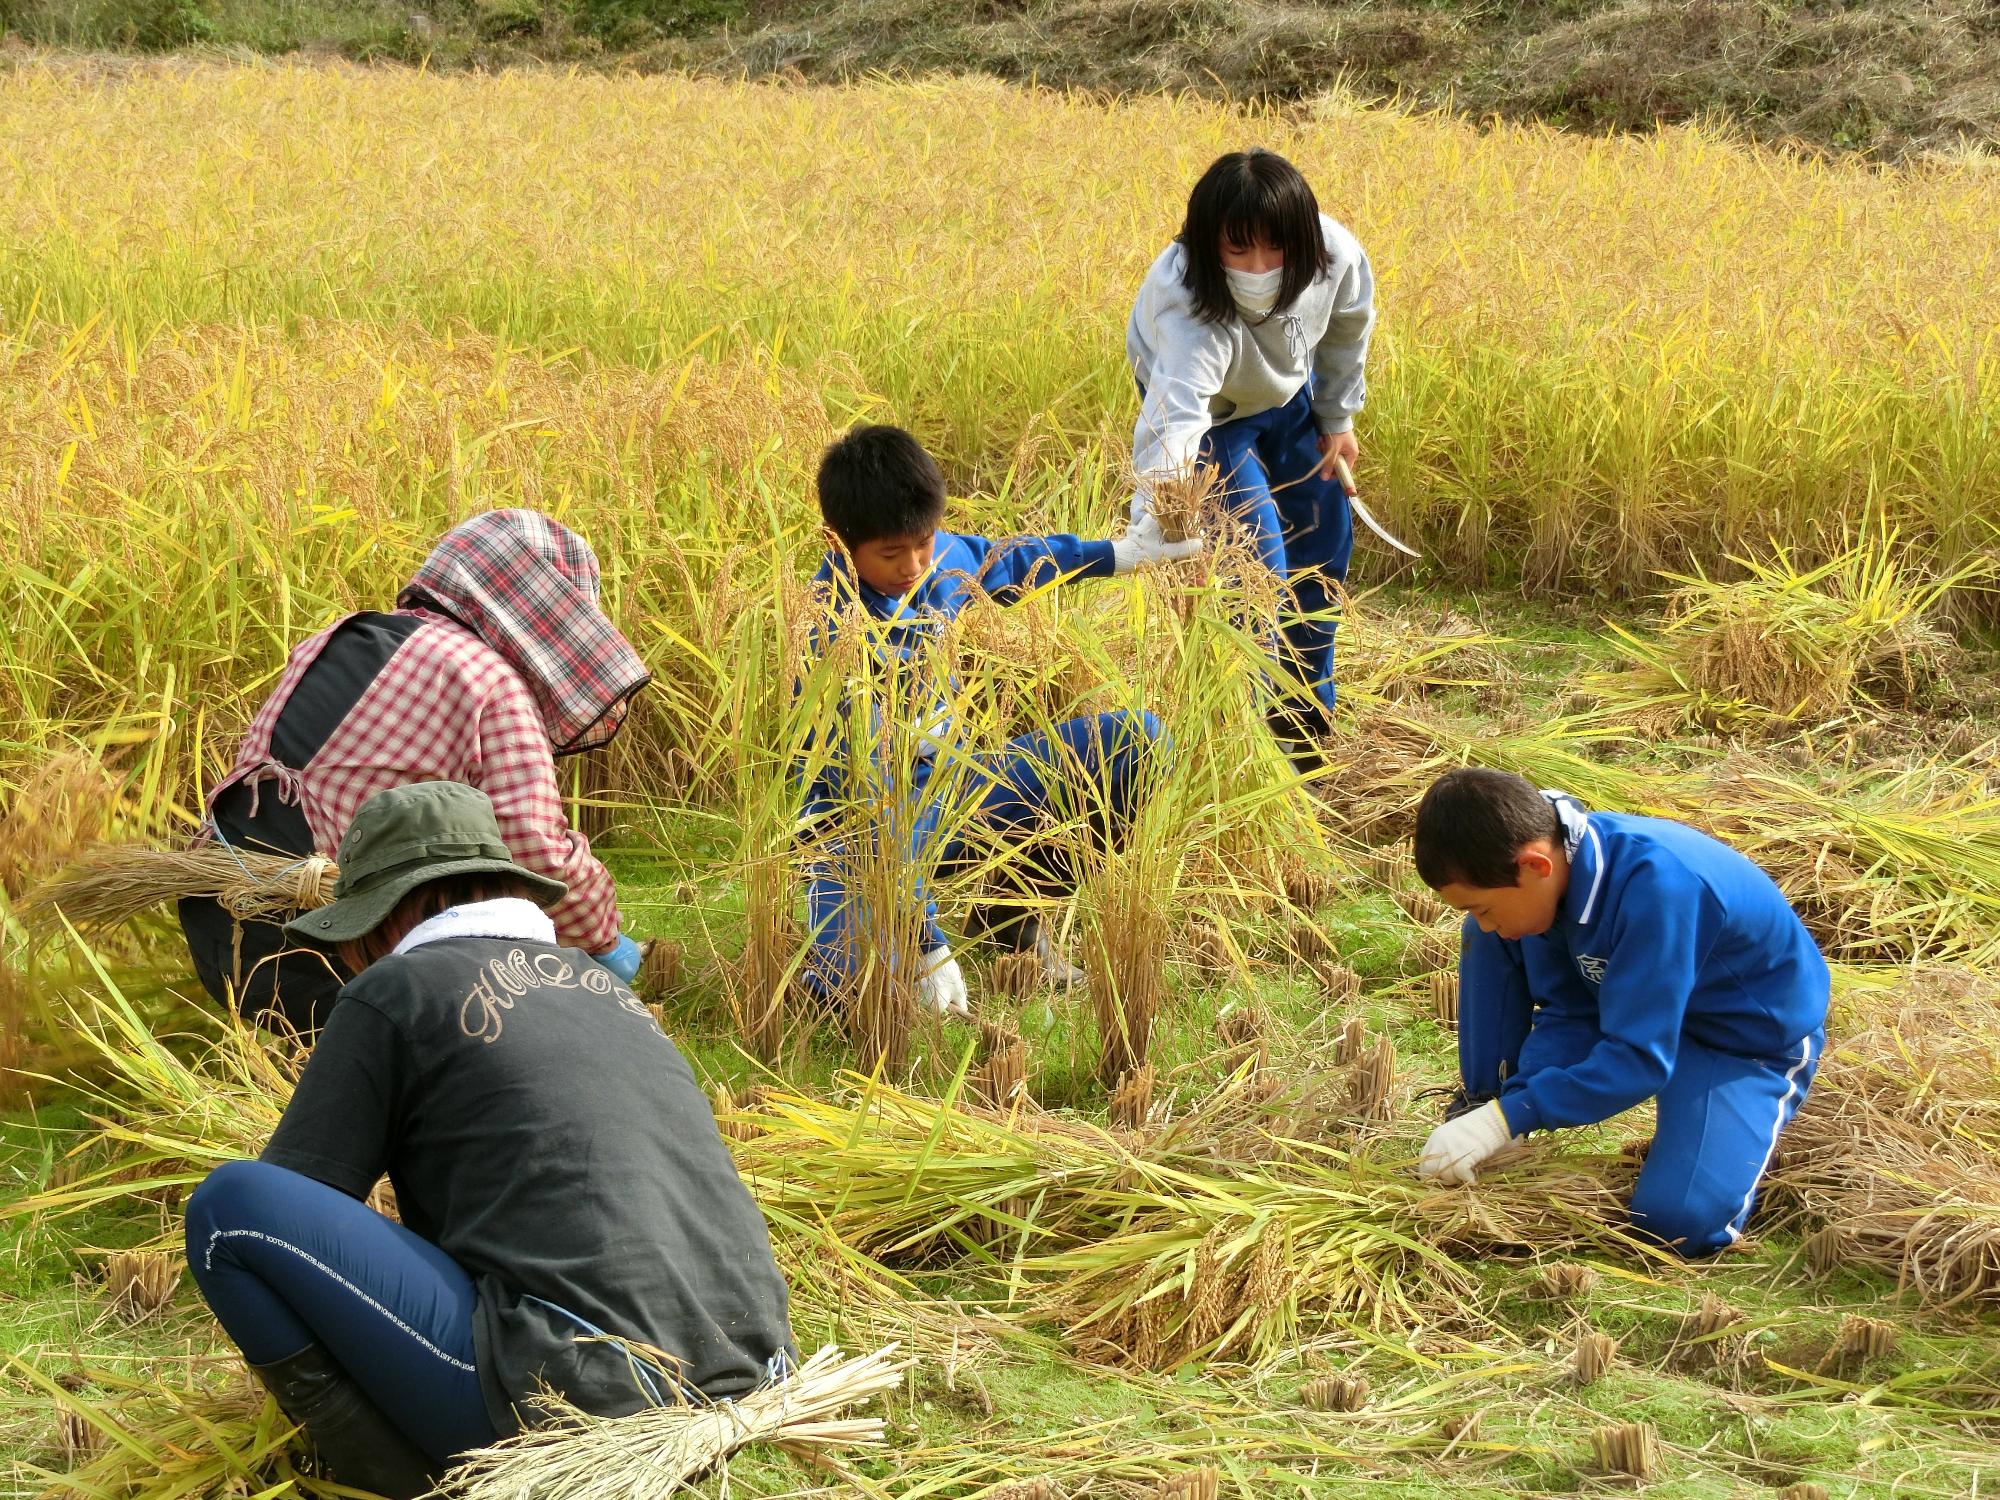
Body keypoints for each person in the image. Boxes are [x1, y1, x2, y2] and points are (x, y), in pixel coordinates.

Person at [183, 781, 795, 1497]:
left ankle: (397, 1482)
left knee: (232, 1210)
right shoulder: (604, 989)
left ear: (388, 914)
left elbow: (301, 1209)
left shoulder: (396, 991)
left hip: (586, 1395)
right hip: (757, 1376)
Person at [178, 509, 652, 1034]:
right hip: (321, 943)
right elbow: (540, 855)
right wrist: (603, 942)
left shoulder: (343, 636)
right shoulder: (487, 680)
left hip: (222, 920)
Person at [801, 423, 1198, 1013]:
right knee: (850, 999)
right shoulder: (829, 628)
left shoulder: (938, 561)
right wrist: (923, 939)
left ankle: (1010, 917)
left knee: (1140, 743)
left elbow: (1011, 561)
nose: (913, 565)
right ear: (839, 543)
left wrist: (1120, 555)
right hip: (859, 833)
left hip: (955, 791)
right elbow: (869, 792)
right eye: (891, 554)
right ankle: (870, 945)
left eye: (924, 544)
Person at [1410, 767, 1829, 1256]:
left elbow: (1639, 1060)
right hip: (1624, 994)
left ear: (1535, 866)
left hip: (1738, 1038)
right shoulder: (1549, 868)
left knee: (1674, 1225)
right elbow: (1568, 1010)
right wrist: (1509, 1108)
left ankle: (1739, 1133)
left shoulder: (1660, 887)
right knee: (1488, 937)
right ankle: (1482, 1100)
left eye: (1480, 904)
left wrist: (1509, 1118)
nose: (1485, 919)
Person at [1126, 147, 1376, 757]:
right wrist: (1162, 521)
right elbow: (1175, 417)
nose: (1259, 267)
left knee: (1324, 538)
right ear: (1209, 245)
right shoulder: (1186, 300)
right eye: (1238, 250)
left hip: (1288, 393)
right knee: (1253, 567)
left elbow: (1349, 324)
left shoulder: (1334, 254)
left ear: (1303, 240)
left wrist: (1337, 415)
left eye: (1275, 248)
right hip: (1212, 417)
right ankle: (1240, 744)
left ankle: (1304, 723)